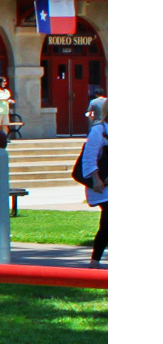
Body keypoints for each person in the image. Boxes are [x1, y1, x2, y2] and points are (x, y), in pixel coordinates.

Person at [77, 95, 106, 264]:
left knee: (107, 224)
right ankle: (95, 261)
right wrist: (95, 178)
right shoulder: (99, 131)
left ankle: (95, 261)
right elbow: (89, 157)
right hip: (102, 185)